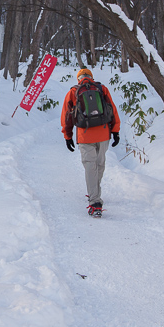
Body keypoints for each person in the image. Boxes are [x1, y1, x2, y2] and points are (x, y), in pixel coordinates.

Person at [61, 68, 120, 218]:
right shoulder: (102, 89)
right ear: (91, 77)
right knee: (99, 165)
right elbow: (112, 110)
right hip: (103, 133)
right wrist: (115, 131)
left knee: (89, 166)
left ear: (78, 79)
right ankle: (95, 192)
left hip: (85, 135)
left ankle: (94, 202)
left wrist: (67, 136)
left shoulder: (73, 92)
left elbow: (67, 117)